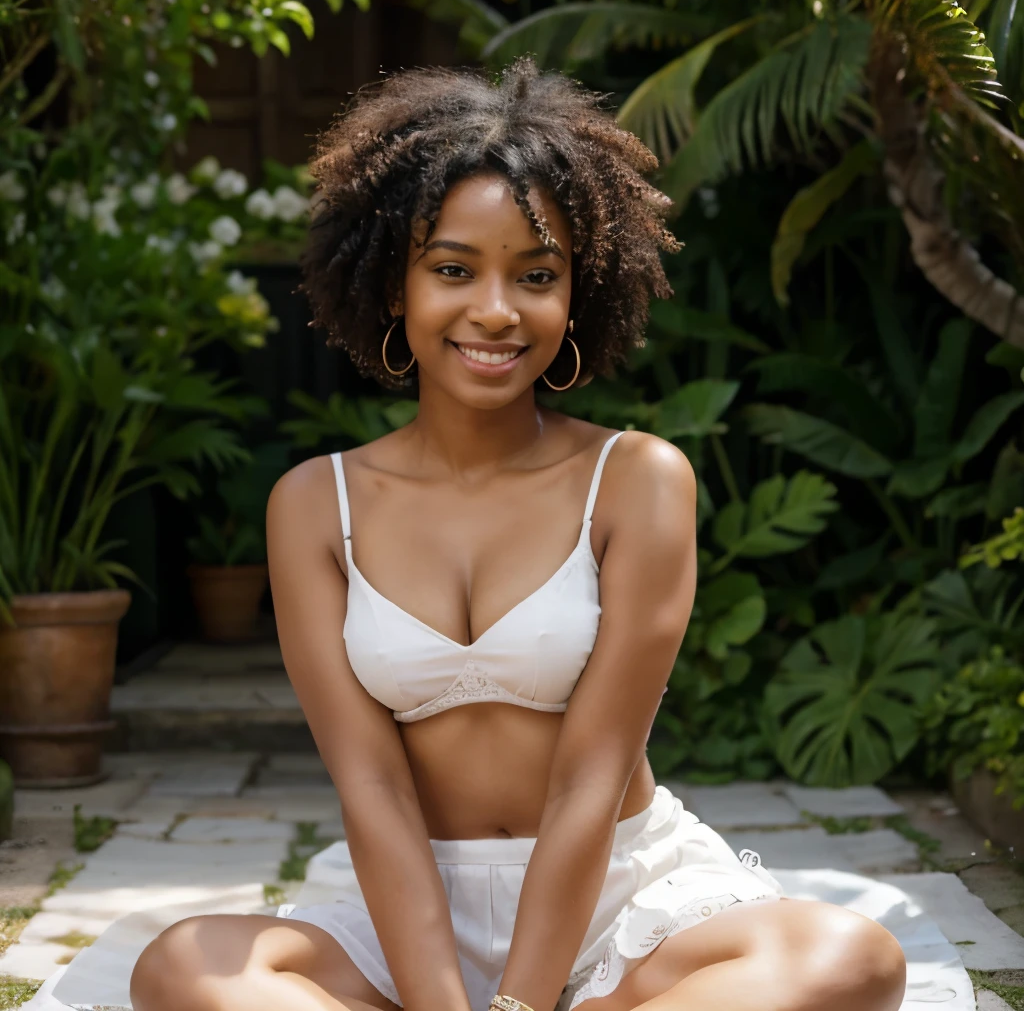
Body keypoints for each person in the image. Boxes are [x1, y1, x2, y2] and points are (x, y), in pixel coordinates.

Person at [129, 57, 907, 1011]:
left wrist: (517, 1007)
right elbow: (373, 788)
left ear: (579, 293)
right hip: (403, 904)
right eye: (453, 270)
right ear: (392, 287)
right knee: (182, 966)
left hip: (621, 892)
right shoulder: (313, 504)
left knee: (851, 957)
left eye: (535, 276)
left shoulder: (637, 481)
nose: (495, 312)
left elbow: (591, 778)